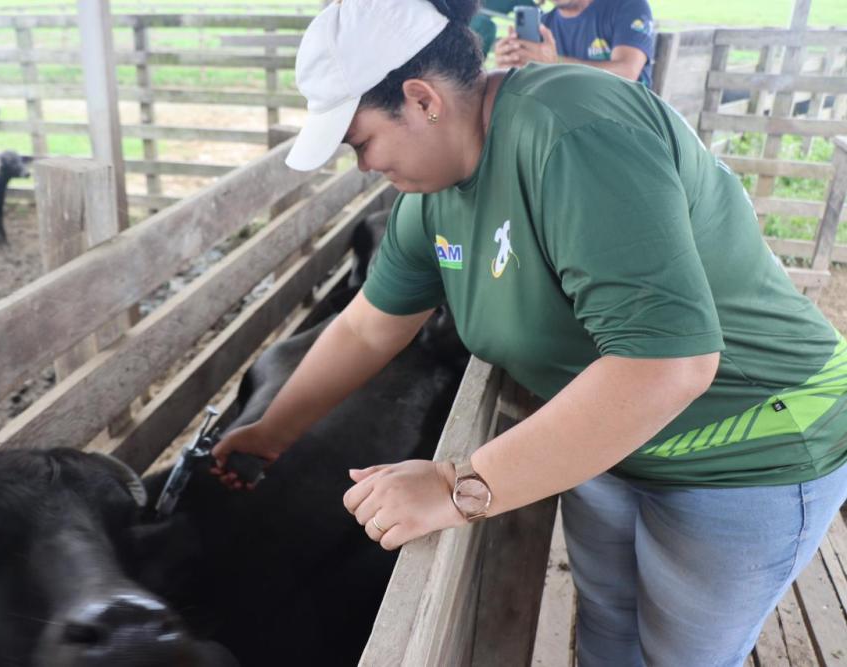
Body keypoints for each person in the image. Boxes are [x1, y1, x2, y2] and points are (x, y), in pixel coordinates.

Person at [211, 0, 847, 665]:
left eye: (361, 141)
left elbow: (669, 365)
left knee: (680, 655)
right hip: (610, 444)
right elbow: (370, 326)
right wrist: (270, 431)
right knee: (607, 630)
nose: (364, 165)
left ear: (421, 99)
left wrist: (457, 486)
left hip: (752, 448)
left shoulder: (572, 129)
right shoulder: (430, 199)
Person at [494, 0, 655, 86]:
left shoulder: (629, 5)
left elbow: (627, 73)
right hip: (570, 125)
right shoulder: (544, 25)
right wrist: (509, 69)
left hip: (624, 123)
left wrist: (554, 62)